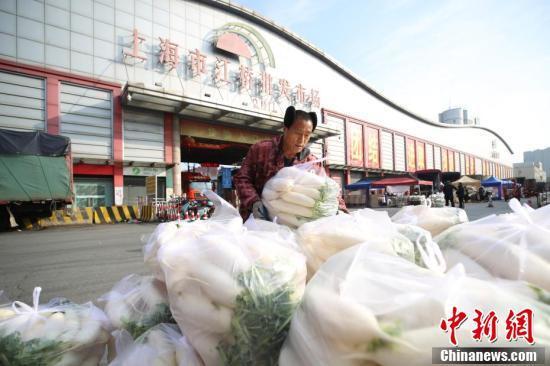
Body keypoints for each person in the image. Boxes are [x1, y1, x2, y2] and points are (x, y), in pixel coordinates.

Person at [233, 106, 348, 220]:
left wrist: (341, 210)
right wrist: (253, 202)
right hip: (257, 221)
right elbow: (242, 178)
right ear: (286, 129)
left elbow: (328, 189)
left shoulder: (312, 162)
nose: (302, 140)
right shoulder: (261, 150)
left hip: (293, 226)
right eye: (298, 133)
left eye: (307, 135)